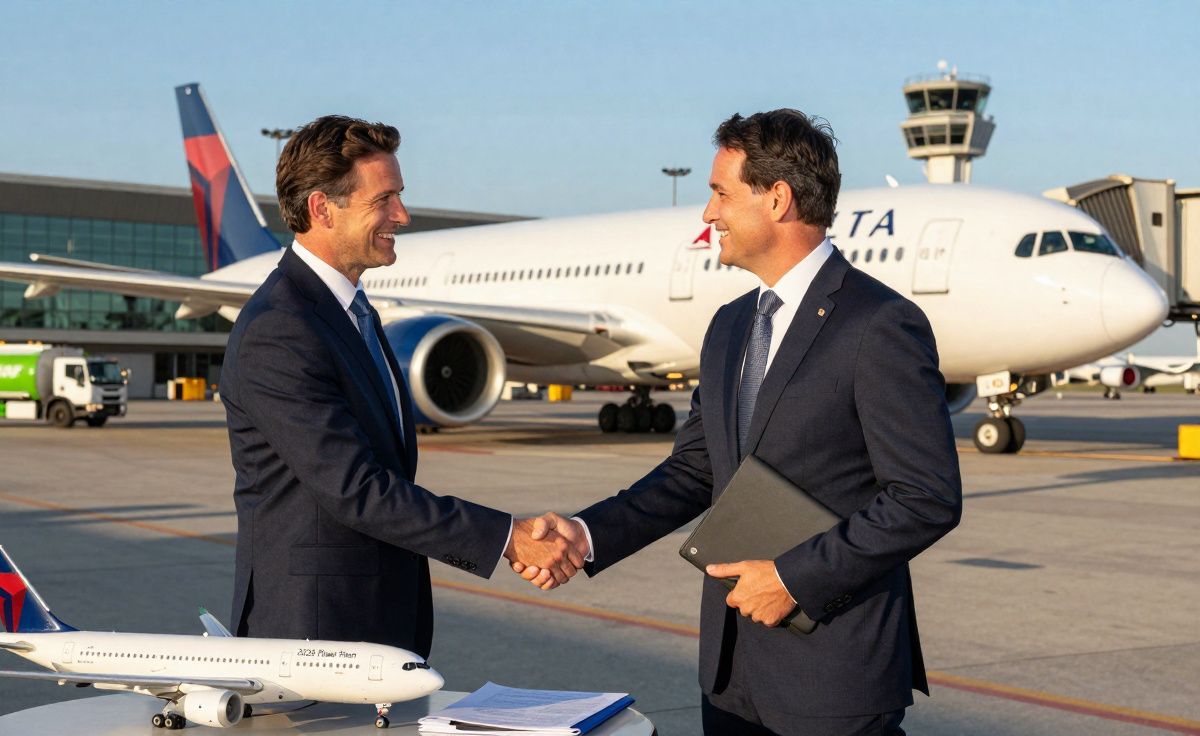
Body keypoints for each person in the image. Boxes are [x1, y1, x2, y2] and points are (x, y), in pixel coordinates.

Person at [520, 110, 963, 735]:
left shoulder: (879, 324)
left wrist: (792, 578)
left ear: (777, 199)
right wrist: (587, 533)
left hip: (833, 673)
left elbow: (925, 497)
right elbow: (696, 471)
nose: (708, 214)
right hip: (731, 673)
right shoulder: (731, 325)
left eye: (721, 193)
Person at [220, 115, 581, 658]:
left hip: (374, 619)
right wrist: (508, 538)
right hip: (313, 631)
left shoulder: (352, 313)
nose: (402, 215)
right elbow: (356, 489)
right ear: (322, 208)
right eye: (383, 199)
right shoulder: (281, 328)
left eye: (399, 196)